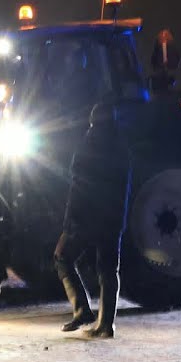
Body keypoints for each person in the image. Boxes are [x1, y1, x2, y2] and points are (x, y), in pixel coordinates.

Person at [54, 103, 132, 339]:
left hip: (85, 219)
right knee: (109, 270)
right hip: (113, 220)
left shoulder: (88, 145)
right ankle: (106, 325)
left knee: (62, 258)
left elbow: (78, 188)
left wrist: (69, 223)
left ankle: (82, 310)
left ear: (92, 121)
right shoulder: (122, 147)